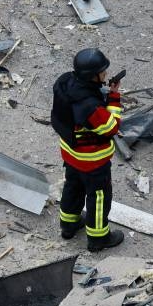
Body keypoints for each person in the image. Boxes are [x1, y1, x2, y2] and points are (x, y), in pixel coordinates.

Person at [51, 47, 125, 252]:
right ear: (92, 76)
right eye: (102, 72)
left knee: (72, 188)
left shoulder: (65, 82)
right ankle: (98, 238)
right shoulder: (90, 107)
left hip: (70, 153)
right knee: (99, 197)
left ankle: (68, 225)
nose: (106, 75)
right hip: (92, 162)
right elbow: (111, 127)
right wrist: (114, 98)